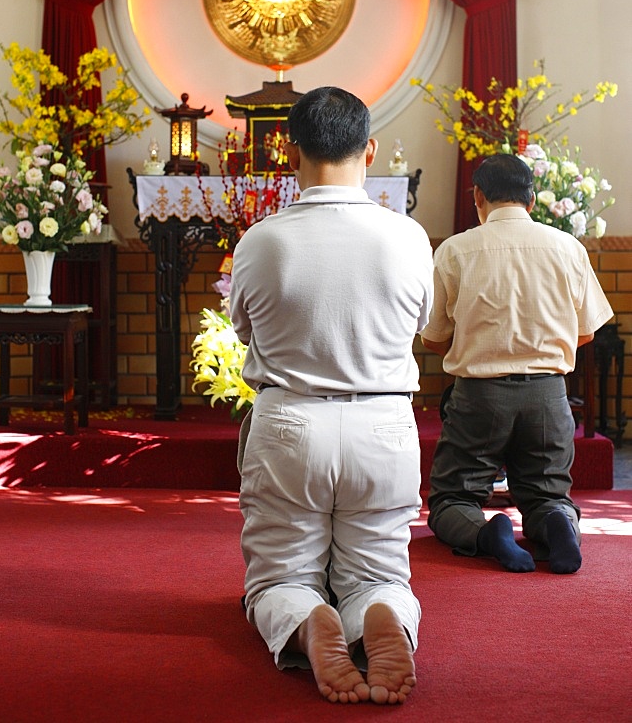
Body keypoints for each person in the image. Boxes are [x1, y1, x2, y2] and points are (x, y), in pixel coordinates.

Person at [230, 86, 433, 705]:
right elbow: (420, 324)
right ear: (369, 149)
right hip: (384, 423)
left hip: (290, 419)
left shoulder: (262, 240)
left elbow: (246, 330)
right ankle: (378, 614)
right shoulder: (408, 237)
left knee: (282, 572)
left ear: (289, 149)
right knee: (377, 566)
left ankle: (303, 617)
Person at [421, 153, 613, 575]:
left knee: (453, 498)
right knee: (548, 496)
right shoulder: (567, 246)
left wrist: (477, 346)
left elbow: (433, 338)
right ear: (531, 200)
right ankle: (558, 525)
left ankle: (488, 534)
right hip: (548, 394)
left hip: (479, 396)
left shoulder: (455, 250)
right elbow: (586, 333)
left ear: (478, 196)